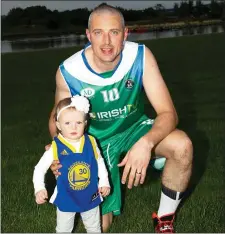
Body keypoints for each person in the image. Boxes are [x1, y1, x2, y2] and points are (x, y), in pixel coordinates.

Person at [48, 3, 193, 233]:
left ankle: (164, 220)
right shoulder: (70, 71)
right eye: (98, 33)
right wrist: (60, 151)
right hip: (96, 142)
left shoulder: (140, 56)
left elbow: (168, 113)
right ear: (88, 35)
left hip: (134, 129)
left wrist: (146, 143)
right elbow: (57, 117)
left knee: (182, 146)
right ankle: (146, 163)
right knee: (101, 226)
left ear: (125, 34)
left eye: (114, 32)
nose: (106, 42)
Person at [33, 95, 111, 233]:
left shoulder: (91, 142)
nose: (73, 127)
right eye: (67, 123)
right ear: (58, 125)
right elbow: (39, 169)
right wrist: (39, 188)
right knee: (63, 229)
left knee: (94, 227)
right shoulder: (55, 147)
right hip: (66, 196)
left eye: (79, 123)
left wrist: (104, 181)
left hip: (90, 195)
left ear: (85, 123)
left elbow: (99, 162)